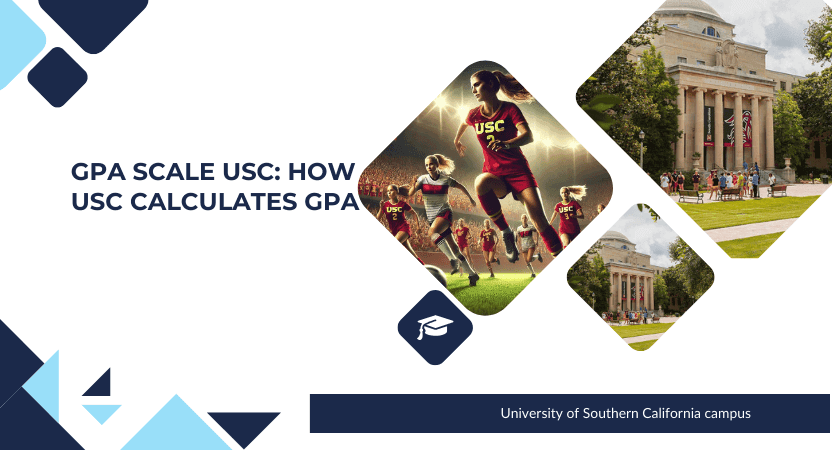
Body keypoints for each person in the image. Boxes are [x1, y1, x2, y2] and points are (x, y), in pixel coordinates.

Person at [453, 69, 563, 264]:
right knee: (480, 181)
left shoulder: (509, 109)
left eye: (477, 84)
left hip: (518, 171)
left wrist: (508, 143)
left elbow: (528, 136)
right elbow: (463, 123)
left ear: (491, 84)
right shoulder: (474, 114)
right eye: (471, 87)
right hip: (494, 174)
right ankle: (505, 232)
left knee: (540, 222)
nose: (473, 90)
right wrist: (457, 140)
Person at [406, 154, 480, 286]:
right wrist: (413, 184)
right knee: (455, 248)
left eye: (431, 164)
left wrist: (470, 198)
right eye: (426, 165)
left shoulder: (446, 179)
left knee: (431, 233)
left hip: (445, 212)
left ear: (437, 165)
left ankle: (452, 260)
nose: (429, 167)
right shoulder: (422, 179)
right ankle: (472, 274)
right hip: (432, 217)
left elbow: (460, 186)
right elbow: (410, 194)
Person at [376, 185, 424, 265]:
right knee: (412, 254)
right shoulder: (385, 205)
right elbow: (377, 218)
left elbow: (414, 214)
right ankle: (424, 266)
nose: (389, 192)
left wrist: (418, 226)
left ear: (397, 191)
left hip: (404, 229)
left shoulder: (403, 204)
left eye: (391, 190)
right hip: (395, 231)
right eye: (388, 191)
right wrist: (381, 208)